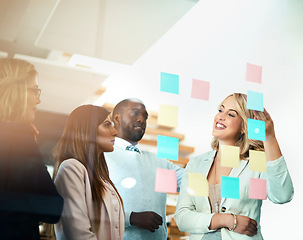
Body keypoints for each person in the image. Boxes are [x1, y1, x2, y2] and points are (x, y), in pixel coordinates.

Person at [175, 93, 294, 240]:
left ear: (244, 127)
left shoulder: (255, 163)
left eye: (231, 114)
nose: (220, 116)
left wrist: (269, 138)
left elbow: (282, 196)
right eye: (220, 110)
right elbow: (182, 218)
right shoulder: (196, 164)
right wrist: (228, 220)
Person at [0, 58, 63, 239]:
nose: (39, 99)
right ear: (16, 91)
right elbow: (53, 209)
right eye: (35, 91)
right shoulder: (18, 137)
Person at [104, 98, 184, 240]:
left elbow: (191, 182)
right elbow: (89, 209)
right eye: (135, 113)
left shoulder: (159, 162)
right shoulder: (103, 156)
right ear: (117, 118)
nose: (141, 119)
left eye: (145, 117)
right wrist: (131, 218)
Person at [53, 105, 124, 240]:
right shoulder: (71, 168)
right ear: (87, 130)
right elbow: (78, 234)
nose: (115, 132)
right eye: (107, 125)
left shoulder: (103, 178)